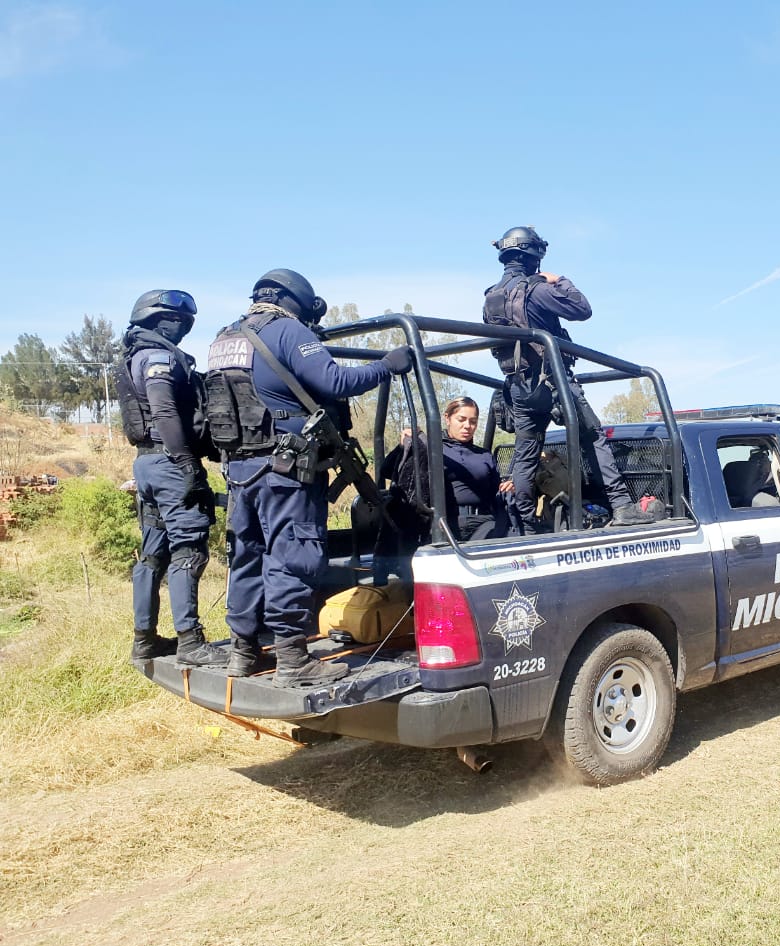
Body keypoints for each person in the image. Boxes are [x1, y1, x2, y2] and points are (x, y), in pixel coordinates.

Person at [205, 269, 413, 686]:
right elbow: (334, 381)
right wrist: (387, 365)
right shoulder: (285, 330)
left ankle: (243, 653)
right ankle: (293, 660)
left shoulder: (224, 339)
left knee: (247, 557)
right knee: (291, 556)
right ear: (295, 299)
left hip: (240, 471)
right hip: (283, 471)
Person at [483, 225, 657, 532]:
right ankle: (620, 505)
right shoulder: (536, 290)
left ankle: (523, 521)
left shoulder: (491, 298)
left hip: (518, 388)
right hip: (552, 384)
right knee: (592, 436)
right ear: (533, 254)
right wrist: (559, 280)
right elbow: (582, 308)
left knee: (525, 453)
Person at [120, 290, 228, 666]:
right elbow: (165, 411)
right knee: (189, 551)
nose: (182, 326)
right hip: (169, 465)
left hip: (146, 464)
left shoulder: (137, 354)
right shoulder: (159, 358)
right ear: (158, 320)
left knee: (153, 554)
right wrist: (188, 465)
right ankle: (190, 642)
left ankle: (145, 639)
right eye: (177, 319)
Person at [432, 396, 512, 541]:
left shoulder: (484, 455)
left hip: (484, 523)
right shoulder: (433, 450)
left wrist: (507, 488)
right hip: (445, 525)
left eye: (473, 421)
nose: (467, 426)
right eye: (461, 420)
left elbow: (496, 493)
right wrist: (405, 442)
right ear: (447, 418)